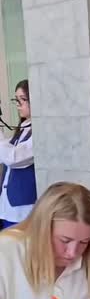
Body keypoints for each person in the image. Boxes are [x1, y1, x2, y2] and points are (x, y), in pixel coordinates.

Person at [0, 79, 36, 228]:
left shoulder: (38, 131)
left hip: (24, 208)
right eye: (16, 99)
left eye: (22, 99)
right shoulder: (22, 129)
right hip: (6, 206)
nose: (18, 104)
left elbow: (14, 158)